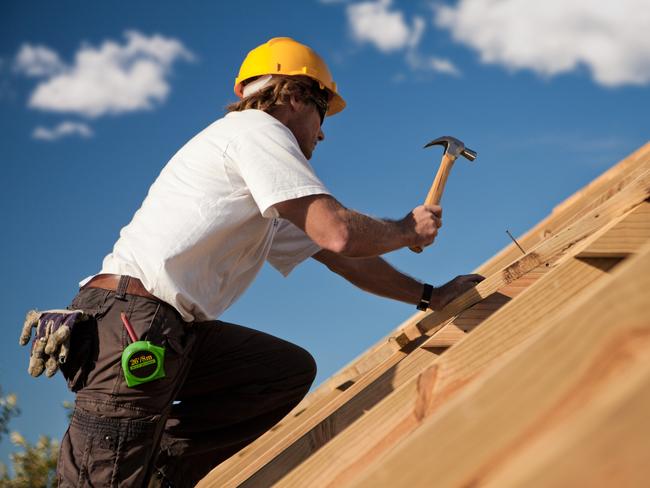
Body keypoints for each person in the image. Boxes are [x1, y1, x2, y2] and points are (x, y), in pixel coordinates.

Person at [21, 37, 483, 487]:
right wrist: (405, 231)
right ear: (299, 97)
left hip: (168, 329)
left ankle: (158, 469)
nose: (322, 132)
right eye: (323, 114)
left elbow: (339, 257)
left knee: (281, 372)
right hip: (134, 325)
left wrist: (430, 296)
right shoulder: (260, 131)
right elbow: (337, 233)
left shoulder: (259, 186)